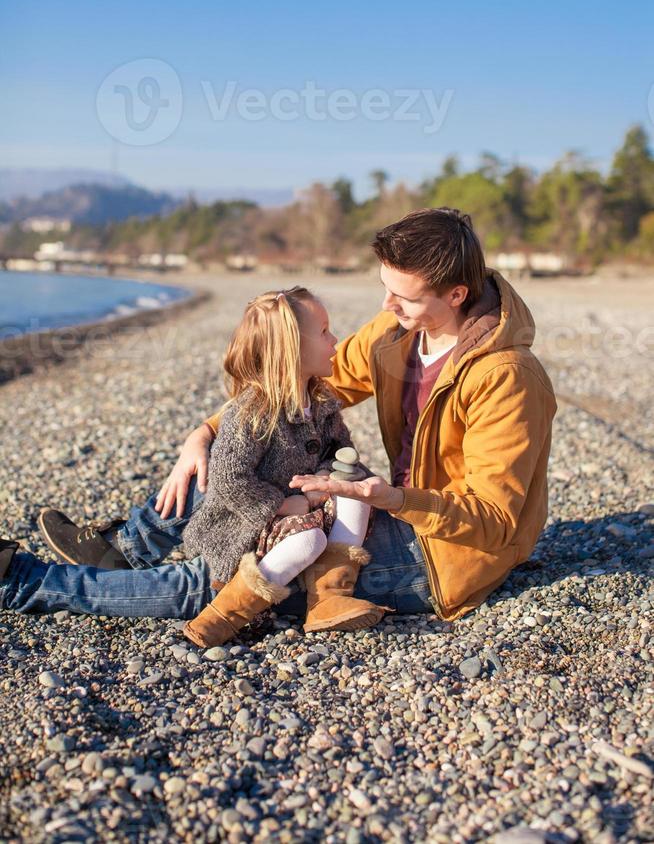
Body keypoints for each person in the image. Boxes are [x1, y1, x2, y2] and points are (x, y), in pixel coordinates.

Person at [1, 207, 556, 623]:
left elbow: (494, 518)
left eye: (402, 298)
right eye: (384, 289)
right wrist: (206, 434)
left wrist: (387, 497)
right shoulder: (398, 334)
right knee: (238, 460)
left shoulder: (506, 378)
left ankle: (34, 585)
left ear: (457, 294)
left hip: (439, 552)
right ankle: (126, 550)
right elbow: (295, 393)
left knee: (227, 575)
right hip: (378, 506)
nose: (386, 307)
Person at [179, 286, 390, 646]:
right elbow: (229, 478)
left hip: (309, 505)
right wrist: (279, 505)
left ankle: (328, 598)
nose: (336, 339)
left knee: (358, 496)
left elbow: (340, 449)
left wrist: (332, 477)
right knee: (309, 541)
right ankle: (222, 616)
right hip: (253, 524)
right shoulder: (252, 412)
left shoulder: (321, 400)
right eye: (324, 332)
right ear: (292, 350)